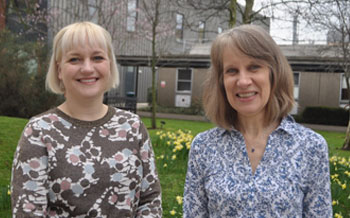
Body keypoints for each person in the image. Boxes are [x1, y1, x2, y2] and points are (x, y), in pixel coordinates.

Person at [11, 21, 162, 217]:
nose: (88, 68)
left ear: (109, 65)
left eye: (97, 57)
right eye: (75, 59)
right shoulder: (39, 131)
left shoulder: (132, 127)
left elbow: (150, 200)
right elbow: (28, 212)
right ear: (59, 70)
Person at [183, 24, 332, 217]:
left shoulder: (311, 147)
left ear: (273, 73)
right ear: (221, 81)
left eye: (254, 67)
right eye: (232, 71)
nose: (243, 81)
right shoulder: (203, 147)